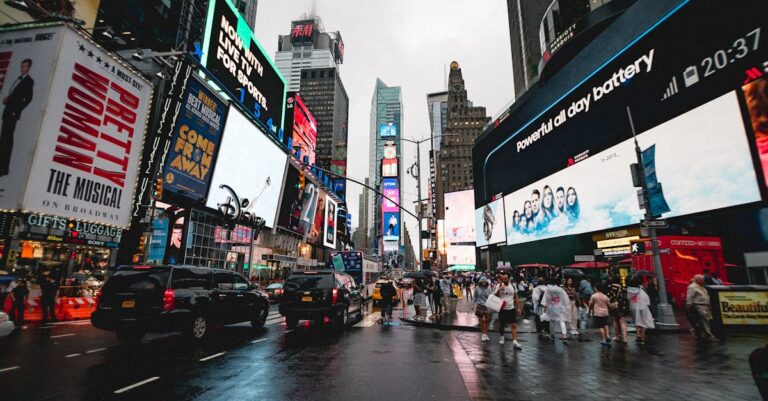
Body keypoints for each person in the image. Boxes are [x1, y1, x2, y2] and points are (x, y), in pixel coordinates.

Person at [0, 58, 34, 177]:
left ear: (29, 67)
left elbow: (28, 98)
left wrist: (16, 109)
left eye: (25, 66)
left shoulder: (29, 81)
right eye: (22, 66)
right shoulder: (19, 80)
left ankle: (3, 168)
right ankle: (2, 166)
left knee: (7, 140)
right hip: (8, 112)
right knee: (3, 139)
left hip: (12, 113)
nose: (22, 68)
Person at [495, 273, 523, 349]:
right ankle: (502, 336)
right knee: (502, 325)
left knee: (513, 325)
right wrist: (499, 289)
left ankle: (515, 341)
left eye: (505, 279)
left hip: (511, 308)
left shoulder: (513, 286)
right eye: (502, 279)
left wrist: (519, 308)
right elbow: (495, 295)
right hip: (502, 308)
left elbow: (516, 297)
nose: (504, 280)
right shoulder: (499, 285)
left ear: (509, 278)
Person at [686, 274, 716, 340]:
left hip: (705, 305)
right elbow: (689, 297)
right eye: (702, 280)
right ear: (698, 280)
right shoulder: (692, 287)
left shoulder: (700, 286)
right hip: (699, 305)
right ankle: (709, 335)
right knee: (705, 320)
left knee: (704, 320)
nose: (704, 281)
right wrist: (689, 305)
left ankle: (697, 332)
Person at [542, 277, 571, 343]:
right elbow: (565, 299)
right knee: (562, 321)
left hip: (551, 307)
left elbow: (545, 300)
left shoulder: (548, 290)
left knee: (551, 321)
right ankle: (564, 336)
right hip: (560, 307)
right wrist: (565, 306)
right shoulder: (560, 290)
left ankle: (552, 334)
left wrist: (545, 307)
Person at [627, 277, 654, 345]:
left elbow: (629, 298)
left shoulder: (630, 290)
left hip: (634, 307)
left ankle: (638, 334)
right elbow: (646, 299)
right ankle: (642, 338)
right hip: (643, 307)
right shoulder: (642, 289)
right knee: (643, 322)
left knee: (637, 321)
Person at [607, 277, 630, 344]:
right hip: (622, 305)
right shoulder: (622, 287)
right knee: (622, 322)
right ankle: (625, 338)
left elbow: (609, 297)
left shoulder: (611, 287)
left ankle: (617, 336)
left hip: (614, 306)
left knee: (615, 321)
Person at [472, 276, 494, 342]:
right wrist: (472, 304)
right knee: (481, 320)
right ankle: (483, 334)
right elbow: (474, 297)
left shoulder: (489, 289)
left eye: (485, 282)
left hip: (487, 306)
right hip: (480, 305)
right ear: (480, 282)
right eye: (482, 282)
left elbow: (491, 297)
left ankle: (486, 334)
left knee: (487, 321)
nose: (484, 283)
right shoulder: (477, 288)